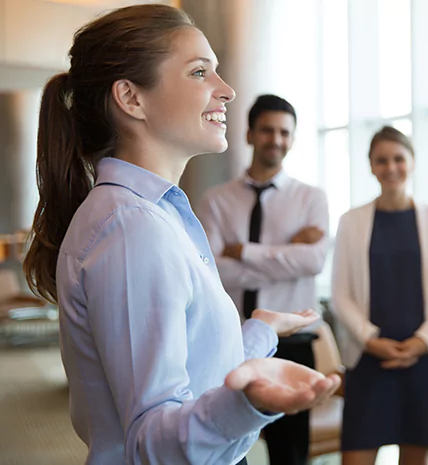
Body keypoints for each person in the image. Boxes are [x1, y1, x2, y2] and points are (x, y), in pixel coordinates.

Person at [21, 5, 339, 465]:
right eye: (199, 72)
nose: (226, 90)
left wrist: (258, 331)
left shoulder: (153, 214)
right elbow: (152, 442)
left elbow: (197, 374)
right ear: (131, 98)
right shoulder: (132, 228)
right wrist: (250, 403)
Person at [197, 94, 328, 465]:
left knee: (290, 455)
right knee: (223, 445)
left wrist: (246, 251)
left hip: (293, 340)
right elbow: (213, 270)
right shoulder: (216, 201)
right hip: (230, 338)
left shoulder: (311, 199)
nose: (276, 140)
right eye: (268, 130)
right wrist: (287, 250)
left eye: (285, 132)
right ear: (250, 134)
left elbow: (314, 260)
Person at [330, 126, 428, 465]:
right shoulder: (350, 221)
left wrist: (422, 341)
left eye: (399, 158)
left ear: (412, 162)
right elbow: (340, 295)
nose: (391, 167)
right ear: (371, 166)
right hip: (369, 359)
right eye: (381, 160)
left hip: (424, 360)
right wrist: (371, 340)